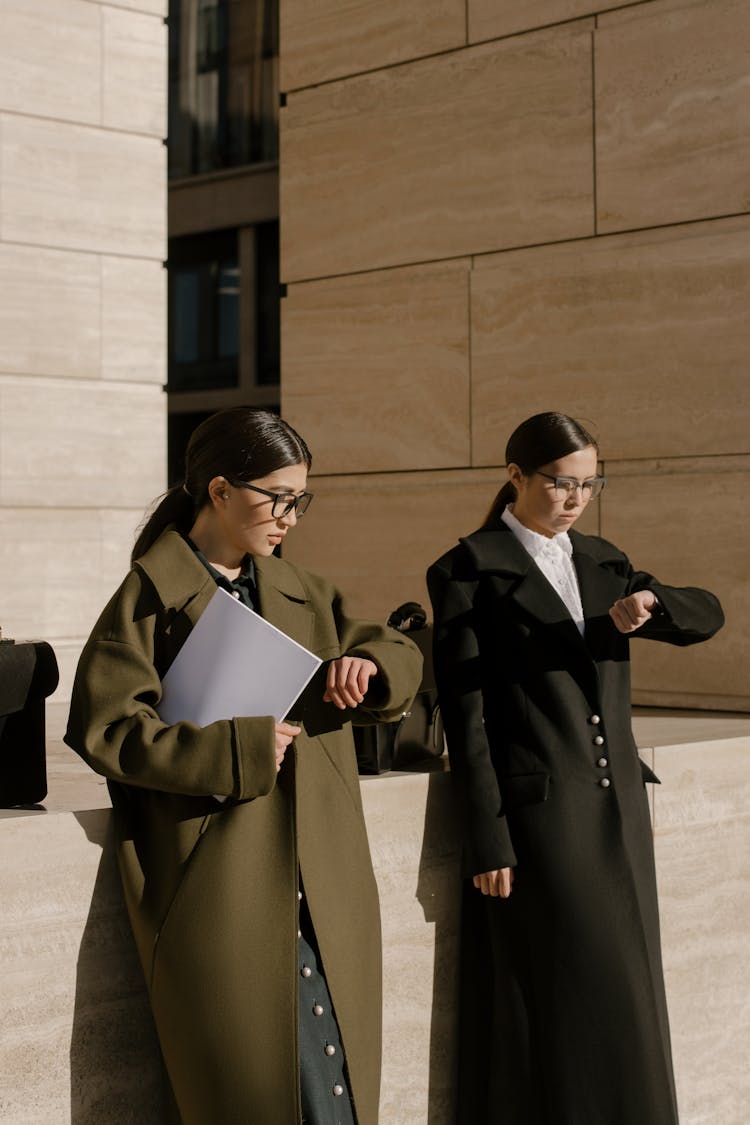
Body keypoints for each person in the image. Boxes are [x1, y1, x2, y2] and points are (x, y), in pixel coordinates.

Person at [65, 407, 422, 1125]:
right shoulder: (150, 598)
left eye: (301, 499)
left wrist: (368, 665)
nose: (291, 516)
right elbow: (105, 730)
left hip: (325, 879)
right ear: (220, 491)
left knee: (341, 1091)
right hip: (218, 884)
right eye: (277, 497)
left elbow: (402, 651)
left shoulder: (304, 591)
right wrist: (239, 748)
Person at [426, 411, 724, 1125]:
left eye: (590, 485)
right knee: (576, 990)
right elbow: (467, 716)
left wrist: (654, 605)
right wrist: (489, 836)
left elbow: (708, 614)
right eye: (562, 483)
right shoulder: (467, 568)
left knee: (632, 987)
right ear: (515, 475)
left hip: (620, 806)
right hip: (543, 816)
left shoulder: (604, 559)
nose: (576, 499)